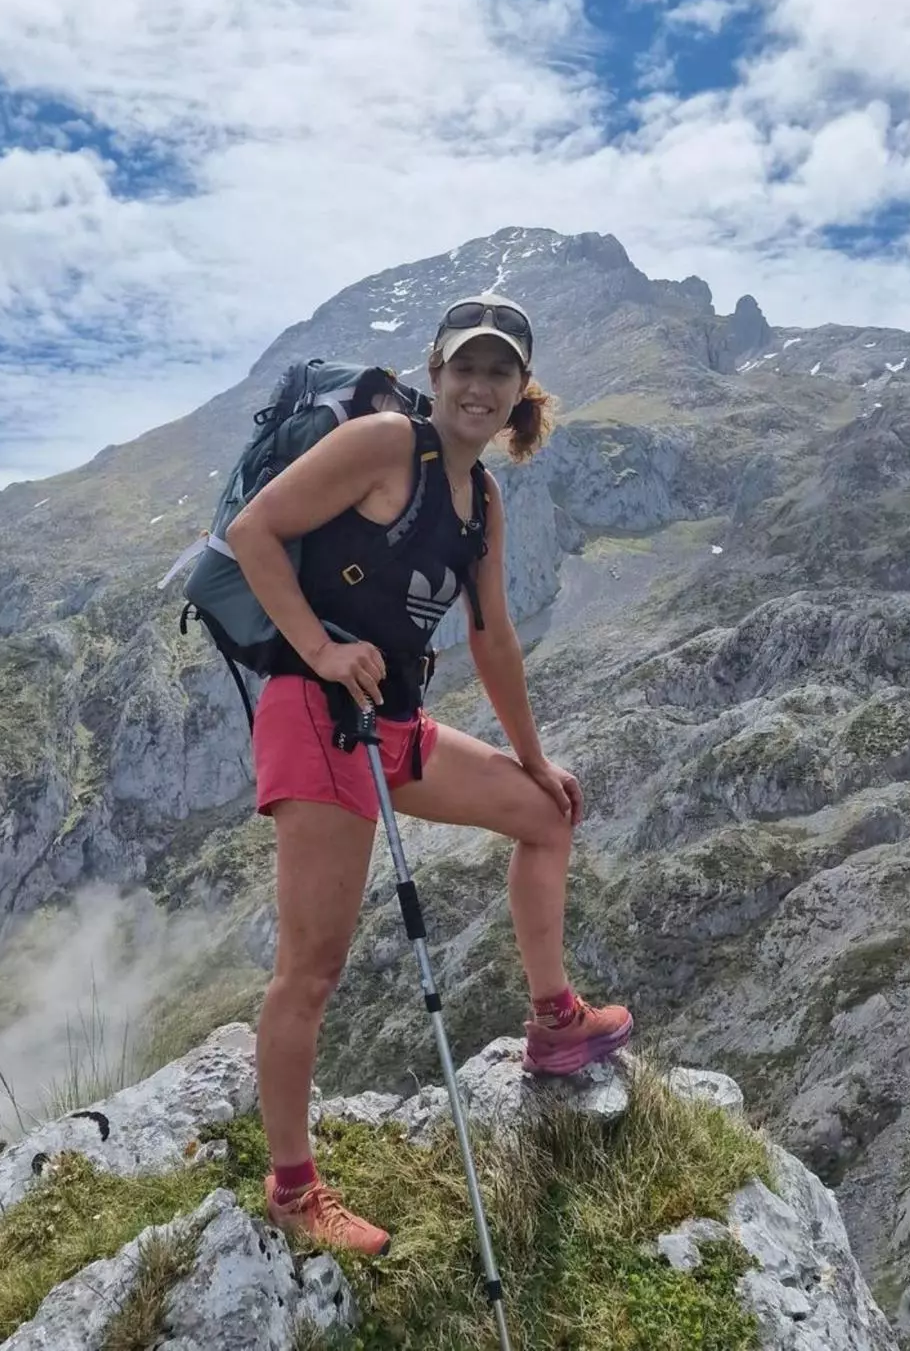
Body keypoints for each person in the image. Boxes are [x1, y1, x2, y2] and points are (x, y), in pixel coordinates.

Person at [225, 293, 633, 1256]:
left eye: (499, 372)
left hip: (396, 725)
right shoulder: (381, 445)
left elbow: (490, 635)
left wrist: (533, 757)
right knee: (311, 970)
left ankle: (555, 1022)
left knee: (546, 814)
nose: (478, 387)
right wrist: (322, 647)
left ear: (519, 391)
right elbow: (254, 533)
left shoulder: (481, 499)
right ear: (436, 372)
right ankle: (293, 1190)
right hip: (320, 717)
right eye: (464, 368)